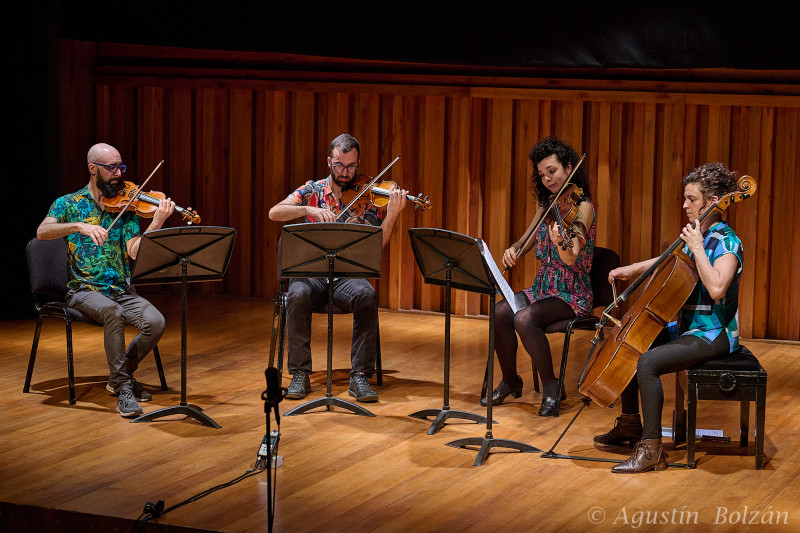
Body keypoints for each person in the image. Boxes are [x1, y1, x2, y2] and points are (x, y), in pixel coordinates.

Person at [595, 162, 743, 473]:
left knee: (648, 363)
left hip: (713, 334)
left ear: (713, 201)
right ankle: (631, 425)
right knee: (634, 343)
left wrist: (698, 248)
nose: (685, 205)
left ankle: (652, 450)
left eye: (691, 199)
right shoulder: (697, 236)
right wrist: (630, 270)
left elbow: (716, 287)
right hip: (689, 328)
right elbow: (667, 260)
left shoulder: (726, 241)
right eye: (685, 199)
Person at [37, 143, 175, 418]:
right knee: (114, 313)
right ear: (93, 169)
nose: (118, 174)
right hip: (83, 289)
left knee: (156, 322)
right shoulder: (69, 204)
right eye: (111, 168)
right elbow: (43, 232)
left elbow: (134, 251)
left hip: (120, 288)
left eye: (120, 167)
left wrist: (156, 222)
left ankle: (120, 376)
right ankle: (123, 387)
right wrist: (78, 226)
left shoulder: (128, 206)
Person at [268, 134, 408, 402]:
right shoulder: (312, 190)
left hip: (346, 276)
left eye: (352, 166)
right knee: (296, 295)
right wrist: (308, 209)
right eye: (340, 166)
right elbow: (274, 213)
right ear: (329, 162)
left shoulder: (368, 194)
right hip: (312, 274)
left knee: (367, 296)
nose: (346, 173)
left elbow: (378, 246)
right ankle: (300, 373)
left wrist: (392, 215)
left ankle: (360, 377)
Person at [482, 136, 595, 417]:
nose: (547, 179)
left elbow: (571, 256)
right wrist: (513, 250)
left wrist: (560, 242)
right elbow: (525, 240)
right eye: (542, 175)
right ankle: (511, 379)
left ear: (569, 168)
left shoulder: (583, 208)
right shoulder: (547, 206)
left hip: (572, 293)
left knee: (524, 318)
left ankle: (551, 386)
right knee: (499, 312)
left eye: (552, 171)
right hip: (543, 287)